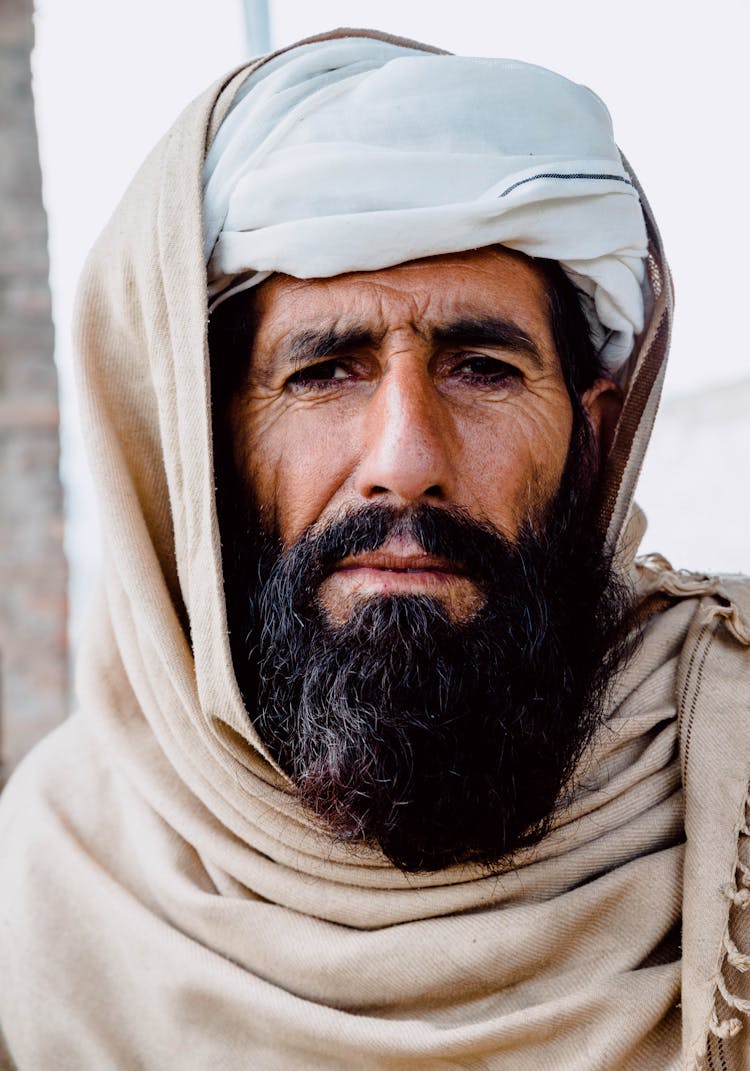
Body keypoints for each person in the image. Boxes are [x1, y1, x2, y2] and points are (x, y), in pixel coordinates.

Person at [1, 27, 749, 1071]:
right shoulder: (47, 890)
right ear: (208, 454)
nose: (405, 462)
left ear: (593, 440)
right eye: (325, 374)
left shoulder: (735, 760)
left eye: (482, 368)